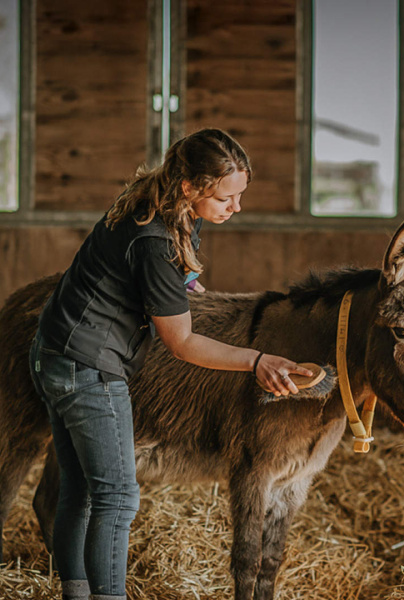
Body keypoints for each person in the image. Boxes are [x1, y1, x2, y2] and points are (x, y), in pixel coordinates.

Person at [28, 129, 311, 600]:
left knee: (77, 490)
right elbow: (180, 343)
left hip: (55, 351)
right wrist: (256, 360)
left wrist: (184, 285)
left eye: (240, 195)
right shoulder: (154, 238)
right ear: (191, 186)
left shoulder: (153, 198)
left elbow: (165, 276)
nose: (236, 207)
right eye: (227, 197)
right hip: (88, 366)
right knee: (117, 498)